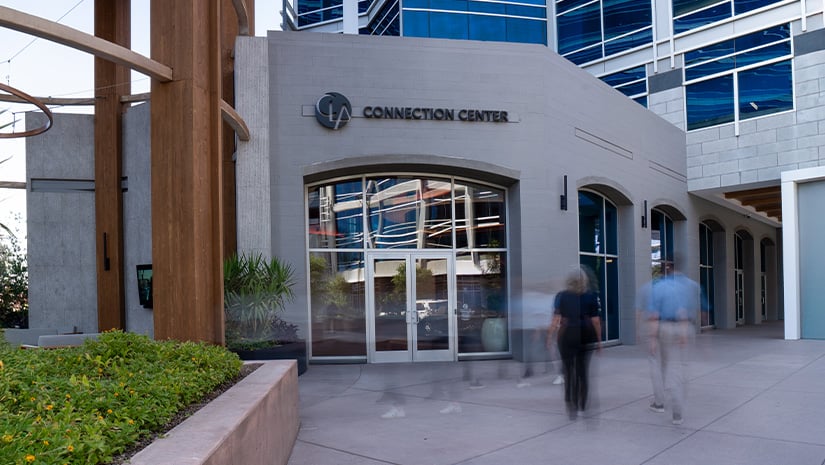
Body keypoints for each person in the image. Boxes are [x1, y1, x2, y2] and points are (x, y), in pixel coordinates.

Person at [645, 261, 700, 425]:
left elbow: (654, 315)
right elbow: (692, 309)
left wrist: (653, 339)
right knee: (683, 368)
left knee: (670, 369)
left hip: (667, 328)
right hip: (687, 328)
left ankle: (675, 410)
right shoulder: (690, 286)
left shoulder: (658, 287)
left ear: (663, 272)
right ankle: (679, 403)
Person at [548, 266, 602, 419]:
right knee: (583, 371)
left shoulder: (561, 296)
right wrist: (598, 341)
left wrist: (550, 335)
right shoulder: (591, 296)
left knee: (568, 370)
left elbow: (556, 319)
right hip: (586, 334)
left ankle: (570, 404)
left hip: (567, 335)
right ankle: (583, 404)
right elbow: (596, 321)